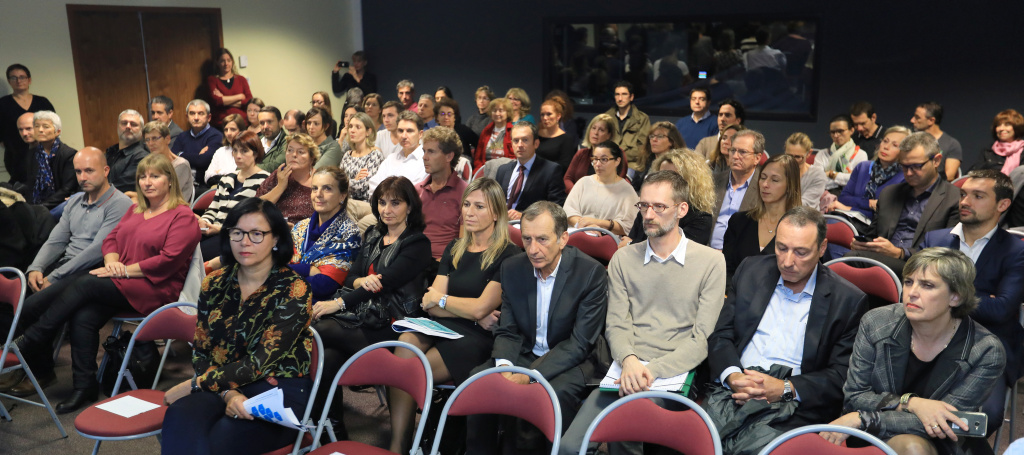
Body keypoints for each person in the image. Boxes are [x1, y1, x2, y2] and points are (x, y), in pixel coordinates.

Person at [13, 153, 200, 413]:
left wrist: (122, 271)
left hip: (156, 288)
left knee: (85, 282)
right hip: (121, 281)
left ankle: (32, 336)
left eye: (155, 176)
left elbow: (167, 262)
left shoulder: (183, 216)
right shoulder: (137, 209)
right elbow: (111, 240)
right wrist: (112, 262)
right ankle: (84, 386)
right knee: (83, 315)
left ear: (170, 181)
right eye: (142, 177)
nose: (147, 182)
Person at [559, 170, 727, 455]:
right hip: (625, 368)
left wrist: (650, 371)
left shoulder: (711, 261)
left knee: (626, 433)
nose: (649, 214)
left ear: (681, 209)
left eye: (659, 207)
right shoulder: (624, 258)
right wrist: (630, 361)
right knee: (569, 447)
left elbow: (701, 338)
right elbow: (616, 323)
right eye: (644, 205)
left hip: (673, 374)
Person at [706, 207, 868, 452]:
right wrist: (733, 376)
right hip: (734, 387)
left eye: (801, 252)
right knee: (695, 440)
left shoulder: (847, 300)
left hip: (793, 404)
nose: (787, 261)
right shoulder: (752, 270)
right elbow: (722, 334)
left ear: (822, 248)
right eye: (781, 248)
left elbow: (840, 375)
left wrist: (784, 389)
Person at [161, 197, 313, 455]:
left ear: (276, 239)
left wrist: (196, 384)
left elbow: (259, 363)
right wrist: (228, 395)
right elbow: (201, 350)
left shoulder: (294, 289)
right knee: (179, 418)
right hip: (221, 384)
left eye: (256, 234)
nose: (244, 242)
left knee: (220, 439)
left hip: (274, 390)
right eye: (237, 232)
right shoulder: (214, 283)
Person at [822, 248, 1005, 455]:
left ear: (955, 297)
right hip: (870, 436)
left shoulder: (985, 350)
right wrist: (911, 403)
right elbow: (855, 397)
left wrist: (863, 418)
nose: (912, 292)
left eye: (927, 285)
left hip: (941, 442)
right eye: (909, 282)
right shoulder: (876, 323)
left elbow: (945, 423)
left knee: (913, 448)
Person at [388, 177, 518, 454]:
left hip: (476, 336)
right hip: (443, 324)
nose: (469, 212)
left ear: (496, 213)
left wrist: (446, 302)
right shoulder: (454, 248)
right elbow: (429, 303)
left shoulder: (508, 253)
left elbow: (482, 308)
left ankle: (421, 440)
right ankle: (399, 444)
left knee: (414, 371)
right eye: (467, 204)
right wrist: (463, 309)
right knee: (406, 345)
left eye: (479, 206)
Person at [468, 201, 608, 454]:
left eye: (542, 239)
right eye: (527, 239)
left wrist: (529, 375)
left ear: (563, 238)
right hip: (525, 351)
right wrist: (505, 367)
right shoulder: (513, 268)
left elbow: (580, 343)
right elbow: (508, 329)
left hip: (571, 360)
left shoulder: (590, 273)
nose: (533, 249)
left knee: (543, 395)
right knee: (479, 382)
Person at [0, 147, 133, 397]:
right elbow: (56, 240)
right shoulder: (75, 200)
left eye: (89, 171)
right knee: (17, 299)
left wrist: (55, 276)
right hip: (66, 264)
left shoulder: (119, 203)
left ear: (105, 171)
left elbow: (97, 250)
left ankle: (36, 370)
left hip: (92, 269)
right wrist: (36, 268)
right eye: (79, 171)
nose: (83, 177)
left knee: (31, 308)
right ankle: (28, 367)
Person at [310, 176, 432, 426]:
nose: (387, 210)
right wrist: (362, 281)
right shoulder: (375, 233)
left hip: (395, 323)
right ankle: (331, 427)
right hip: (365, 315)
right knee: (328, 357)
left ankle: (323, 423)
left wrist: (339, 304)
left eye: (395, 203)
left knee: (319, 330)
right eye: (382, 202)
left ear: (410, 206)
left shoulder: (417, 243)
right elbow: (352, 277)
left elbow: (384, 283)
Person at [919, 170, 1024, 435]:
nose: (965, 201)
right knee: (898, 400)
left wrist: (942, 295)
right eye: (964, 194)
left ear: (1002, 205)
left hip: (988, 348)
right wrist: (977, 299)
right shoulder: (936, 240)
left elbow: (1002, 310)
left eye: (978, 196)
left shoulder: (1016, 250)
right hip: (929, 340)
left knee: (982, 417)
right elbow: (917, 296)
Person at [847, 132, 960, 276]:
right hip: (881, 260)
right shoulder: (890, 193)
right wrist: (863, 245)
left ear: (936, 161)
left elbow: (946, 251)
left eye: (916, 166)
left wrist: (900, 253)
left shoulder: (954, 198)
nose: (909, 173)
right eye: (904, 167)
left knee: (852, 261)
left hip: (923, 267)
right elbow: (873, 236)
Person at [722, 154, 802, 281]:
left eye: (774, 180)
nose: (765, 184)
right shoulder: (739, 221)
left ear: (790, 185)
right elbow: (726, 269)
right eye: (763, 177)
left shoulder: (801, 229)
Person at [289, 166, 361, 302]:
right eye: (314, 188)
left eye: (327, 188)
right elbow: (277, 266)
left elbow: (324, 285)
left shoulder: (349, 233)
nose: (318, 194)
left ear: (342, 195)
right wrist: (309, 269)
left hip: (319, 307)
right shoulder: (300, 227)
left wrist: (284, 277)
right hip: (287, 298)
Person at [197, 131, 269, 261]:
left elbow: (254, 220)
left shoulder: (264, 180)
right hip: (213, 231)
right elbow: (213, 209)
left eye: (244, 151)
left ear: (256, 153)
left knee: (197, 254)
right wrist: (205, 222)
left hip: (237, 236)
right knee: (183, 243)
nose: (238, 156)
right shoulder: (227, 178)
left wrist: (219, 229)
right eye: (235, 151)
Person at [623, 149, 716, 246]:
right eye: (661, 175)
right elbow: (631, 241)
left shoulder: (700, 219)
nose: (664, 181)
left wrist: (630, 244)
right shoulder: (646, 209)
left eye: (672, 176)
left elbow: (674, 251)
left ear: (690, 181)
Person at [831, 126, 912, 219]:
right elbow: (843, 198)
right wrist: (870, 203)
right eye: (885, 141)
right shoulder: (863, 167)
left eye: (895, 145)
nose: (886, 147)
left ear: (904, 152)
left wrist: (850, 209)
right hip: (850, 220)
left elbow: (888, 213)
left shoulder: (905, 176)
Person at [564, 141, 638, 236]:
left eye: (604, 159)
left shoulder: (627, 190)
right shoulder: (584, 182)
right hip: (580, 233)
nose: (597, 164)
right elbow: (568, 211)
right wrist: (585, 226)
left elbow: (627, 226)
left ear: (617, 161)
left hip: (608, 239)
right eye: (595, 159)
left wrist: (597, 223)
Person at [496, 121, 567, 220]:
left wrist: (524, 216)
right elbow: (494, 202)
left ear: (536, 143)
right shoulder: (502, 170)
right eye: (516, 141)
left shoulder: (551, 170)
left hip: (530, 227)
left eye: (525, 140)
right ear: (511, 144)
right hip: (500, 224)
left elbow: (557, 209)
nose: (520, 145)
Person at [418, 126, 469, 260]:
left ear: (449, 156)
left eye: (431, 152)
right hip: (414, 259)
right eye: (424, 151)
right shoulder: (416, 190)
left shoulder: (466, 193)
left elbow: (464, 243)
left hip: (445, 263)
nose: (424, 157)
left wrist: (445, 263)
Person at [0, 64, 55, 185]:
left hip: (43, 152)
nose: (18, 81)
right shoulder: (3, 104)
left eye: (22, 77)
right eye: (14, 78)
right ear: (9, 81)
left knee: (48, 184)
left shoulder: (42, 102)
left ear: (29, 80)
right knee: (24, 188)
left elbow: (53, 126)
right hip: (15, 157)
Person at [711, 130, 764, 250]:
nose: (735, 156)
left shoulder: (764, 187)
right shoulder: (712, 182)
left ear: (757, 158)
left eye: (742, 152)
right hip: (708, 253)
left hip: (742, 259)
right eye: (733, 150)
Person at [256, 133, 319, 224]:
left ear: (312, 158)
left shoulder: (320, 179)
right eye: (290, 150)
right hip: (275, 229)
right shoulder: (279, 175)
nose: (294, 155)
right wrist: (280, 186)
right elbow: (256, 206)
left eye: (300, 152)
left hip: (306, 232)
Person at [22, 111, 76, 209]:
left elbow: (67, 189)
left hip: (62, 204)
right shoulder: (32, 153)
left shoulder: (69, 154)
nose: (40, 130)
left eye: (45, 126)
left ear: (57, 131)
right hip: (37, 205)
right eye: (37, 126)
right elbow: (30, 184)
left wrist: (42, 207)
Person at [366, 111, 428, 197]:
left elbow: (416, 195)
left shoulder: (426, 161)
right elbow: (374, 186)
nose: (404, 136)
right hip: (382, 207)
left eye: (409, 131)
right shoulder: (390, 159)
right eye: (400, 131)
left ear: (420, 134)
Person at [171, 99, 224, 189]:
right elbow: (172, 158)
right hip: (182, 185)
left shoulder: (216, 136)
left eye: (200, 113)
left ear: (209, 117)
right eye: (192, 113)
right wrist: (196, 156)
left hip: (204, 186)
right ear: (187, 117)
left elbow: (203, 161)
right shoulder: (182, 136)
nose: (196, 117)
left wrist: (180, 154)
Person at [563, 114, 623, 193]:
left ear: (609, 135)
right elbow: (567, 178)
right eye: (593, 128)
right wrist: (576, 192)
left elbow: (620, 181)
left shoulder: (617, 154)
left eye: (601, 130)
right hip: (578, 198)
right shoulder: (581, 153)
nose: (596, 133)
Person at [336, 112, 384, 202]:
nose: (352, 130)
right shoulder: (347, 155)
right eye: (350, 126)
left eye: (358, 127)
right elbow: (337, 182)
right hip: (344, 202)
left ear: (368, 132)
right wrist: (355, 179)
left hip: (364, 204)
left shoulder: (375, 155)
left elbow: (363, 188)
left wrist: (347, 182)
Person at [143, 121, 195, 202]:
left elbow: (166, 196)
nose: (150, 143)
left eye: (155, 138)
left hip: (174, 209)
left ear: (167, 139)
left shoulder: (180, 165)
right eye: (147, 140)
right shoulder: (149, 164)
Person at [606, 81, 651, 173]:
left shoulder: (642, 119)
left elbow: (643, 148)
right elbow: (601, 143)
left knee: (626, 175)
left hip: (631, 164)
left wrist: (617, 154)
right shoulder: (606, 117)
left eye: (624, 94)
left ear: (631, 97)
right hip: (608, 163)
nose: (620, 98)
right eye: (617, 94)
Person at [816, 114, 868, 194]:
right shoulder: (822, 154)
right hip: (824, 196)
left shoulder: (861, 154)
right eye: (832, 132)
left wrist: (831, 174)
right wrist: (844, 178)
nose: (836, 135)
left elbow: (857, 180)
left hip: (850, 197)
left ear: (851, 130)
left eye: (840, 131)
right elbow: (818, 180)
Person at [911, 102, 963, 181]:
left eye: (917, 117)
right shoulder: (911, 141)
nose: (912, 120)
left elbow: (949, 175)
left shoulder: (951, 144)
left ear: (931, 121)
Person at [631, 121, 687, 193]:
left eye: (660, 136)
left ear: (672, 141)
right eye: (651, 136)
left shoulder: (675, 164)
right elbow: (634, 188)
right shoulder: (646, 161)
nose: (654, 139)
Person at [206, 48, 252, 128]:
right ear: (217, 63)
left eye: (228, 60)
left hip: (242, 123)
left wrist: (223, 98)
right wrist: (240, 96)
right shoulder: (212, 80)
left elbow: (249, 101)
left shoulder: (241, 79)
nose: (226, 63)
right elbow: (217, 101)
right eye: (222, 61)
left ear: (232, 62)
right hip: (222, 124)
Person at [105, 109, 149, 193]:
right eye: (124, 123)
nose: (128, 126)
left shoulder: (143, 157)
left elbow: (122, 187)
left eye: (133, 124)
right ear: (118, 126)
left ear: (141, 130)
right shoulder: (110, 152)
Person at [783, 132, 827, 208]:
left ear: (809, 153)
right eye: (789, 156)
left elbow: (805, 205)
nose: (793, 161)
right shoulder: (778, 171)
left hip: (806, 217)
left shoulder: (817, 175)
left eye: (798, 157)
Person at [974, 109, 1024, 175]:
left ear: (1017, 127)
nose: (1001, 128)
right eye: (998, 125)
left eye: (1007, 124)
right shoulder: (988, 152)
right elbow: (974, 176)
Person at [535, 98, 576, 173]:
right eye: (542, 114)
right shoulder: (536, 135)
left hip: (554, 178)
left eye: (549, 114)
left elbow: (564, 166)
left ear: (558, 116)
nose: (545, 118)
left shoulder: (566, 139)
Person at [473, 97, 514, 169]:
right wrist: (480, 171)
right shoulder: (486, 131)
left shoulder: (513, 131)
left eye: (501, 111)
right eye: (494, 111)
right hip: (486, 171)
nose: (497, 113)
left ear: (508, 113)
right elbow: (478, 158)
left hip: (506, 171)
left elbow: (513, 158)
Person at [204, 113, 246, 183]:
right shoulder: (220, 151)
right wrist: (226, 175)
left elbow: (238, 177)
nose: (228, 133)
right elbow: (207, 176)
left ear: (241, 131)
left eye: (233, 129)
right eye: (226, 130)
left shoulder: (246, 151)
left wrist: (219, 172)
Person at [675, 87, 718, 151]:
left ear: (708, 102)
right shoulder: (681, 123)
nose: (697, 102)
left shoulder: (716, 123)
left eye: (701, 99)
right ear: (690, 102)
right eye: (693, 99)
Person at [435, 97, 478, 161]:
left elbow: (480, 144)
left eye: (449, 114)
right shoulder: (433, 134)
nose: (446, 117)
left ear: (454, 117)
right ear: (437, 118)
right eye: (442, 114)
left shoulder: (463, 130)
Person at [257, 106, 287, 172]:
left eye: (269, 122)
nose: (265, 126)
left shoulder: (288, 142)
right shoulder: (255, 140)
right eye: (262, 123)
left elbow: (276, 166)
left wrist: (248, 169)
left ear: (281, 123)